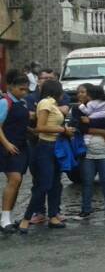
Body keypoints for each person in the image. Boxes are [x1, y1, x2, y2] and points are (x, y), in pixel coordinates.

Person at [19, 79, 71, 232]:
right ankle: (26, 217)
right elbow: (40, 127)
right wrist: (62, 130)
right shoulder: (46, 103)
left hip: (56, 147)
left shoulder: (52, 104)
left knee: (56, 183)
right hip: (45, 147)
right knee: (44, 184)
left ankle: (53, 216)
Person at [73, 83, 105, 220]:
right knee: (87, 181)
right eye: (78, 92)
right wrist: (102, 131)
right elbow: (80, 126)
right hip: (87, 151)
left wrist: (90, 123)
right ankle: (85, 210)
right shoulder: (77, 109)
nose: (80, 95)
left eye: (83, 92)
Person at [1, 72, 32, 233]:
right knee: (14, 178)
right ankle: (4, 218)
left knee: (17, 182)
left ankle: (8, 216)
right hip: (7, 147)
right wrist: (6, 144)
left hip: (22, 146)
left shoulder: (23, 102)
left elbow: (21, 123)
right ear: (11, 87)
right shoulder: (5, 103)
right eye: (21, 89)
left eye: (26, 89)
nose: (24, 92)